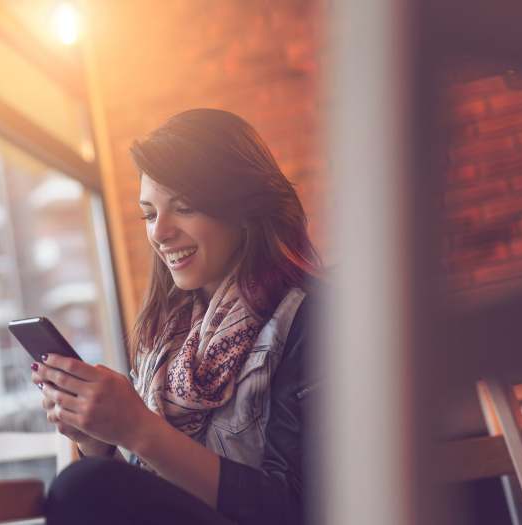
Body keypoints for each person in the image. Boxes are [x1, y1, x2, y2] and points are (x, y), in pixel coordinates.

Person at [30, 108, 323, 525]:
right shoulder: (163, 338)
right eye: (150, 213)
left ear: (241, 210)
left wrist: (139, 430)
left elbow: (300, 507)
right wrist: (97, 439)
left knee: (84, 487)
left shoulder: (310, 319)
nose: (159, 232)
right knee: (86, 478)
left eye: (183, 208)